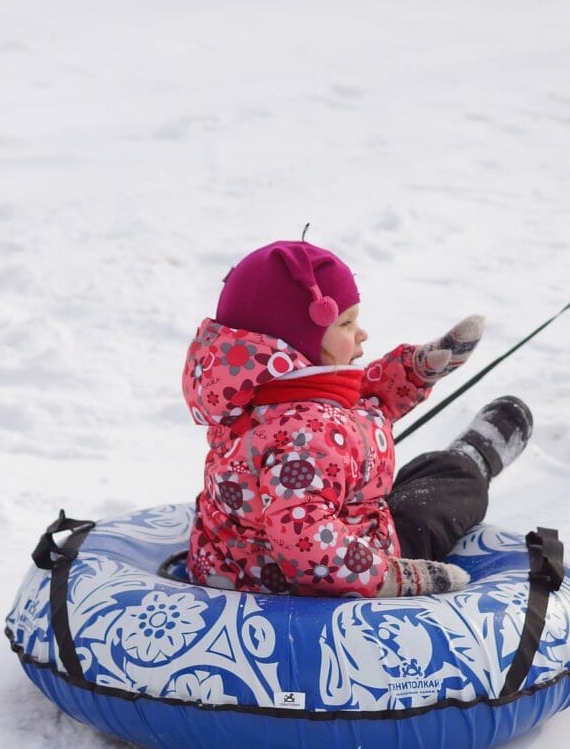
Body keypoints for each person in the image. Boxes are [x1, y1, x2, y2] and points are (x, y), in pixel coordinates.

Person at [182, 240, 533, 598]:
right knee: (435, 501)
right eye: (348, 323)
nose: (362, 333)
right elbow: (307, 545)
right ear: (297, 341)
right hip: (315, 584)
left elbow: (359, 402)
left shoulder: (253, 392)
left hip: (235, 560)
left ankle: (449, 464)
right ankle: (472, 458)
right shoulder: (308, 436)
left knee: (402, 483)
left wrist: (417, 370)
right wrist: (402, 577)